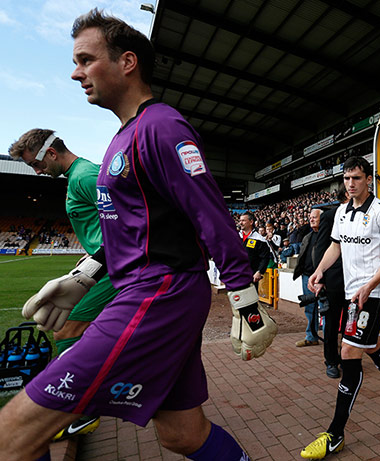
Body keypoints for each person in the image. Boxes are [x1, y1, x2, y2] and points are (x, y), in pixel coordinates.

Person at [0, 10, 277, 460]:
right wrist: (85, 275)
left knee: (11, 434)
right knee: (182, 433)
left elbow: (212, 216)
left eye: (86, 59)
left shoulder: (162, 127)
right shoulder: (121, 139)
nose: (75, 73)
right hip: (148, 290)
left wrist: (247, 305)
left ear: (128, 62)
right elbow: (129, 230)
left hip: (157, 294)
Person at [8, 128, 121, 440]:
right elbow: (103, 223)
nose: (37, 171)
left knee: (66, 328)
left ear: (52, 153)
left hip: (113, 268)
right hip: (102, 263)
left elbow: (126, 218)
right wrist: (89, 255)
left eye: (37, 164)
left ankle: (82, 410)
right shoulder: (77, 177)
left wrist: (95, 264)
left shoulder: (86, 175)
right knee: (75, 330)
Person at [301, 156, 380, 459]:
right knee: (372, 344)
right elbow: (335, 246)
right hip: (353, 293)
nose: (350, 184)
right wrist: (320, 270)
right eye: (347, 179)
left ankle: (335, 434)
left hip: (373, 293)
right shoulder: (340, 211)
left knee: (349, 351)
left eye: (356, 178)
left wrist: (370, 285)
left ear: (368, 178)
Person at [312, 186, 349, 379]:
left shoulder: (364, 215)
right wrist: (321, 277)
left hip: (355, 279)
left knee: (351, 322)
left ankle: (347, 358)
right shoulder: (329, 216)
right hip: (334, 278)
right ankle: (331, 361)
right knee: (332, 323)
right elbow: (321, 249)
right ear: (345, 196)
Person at [292, 208, 324, 348]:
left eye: (315, 217)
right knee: (309, 308)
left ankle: (330, 339)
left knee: (325, 308)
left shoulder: (328, 236)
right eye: (310, 217)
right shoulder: (307, 237)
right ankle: (311, 336)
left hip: (323, 279)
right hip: (307, 277)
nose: (311, 219)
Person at [239, 212, 272, 287]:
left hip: (251, 276)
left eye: (243, 220)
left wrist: (260, 271)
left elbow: (265, 258)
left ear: (251, 222)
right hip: (236, 274)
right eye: (240, 220)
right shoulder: (236, 236)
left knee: (250, 297)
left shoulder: (260, 240)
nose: (240, 223)